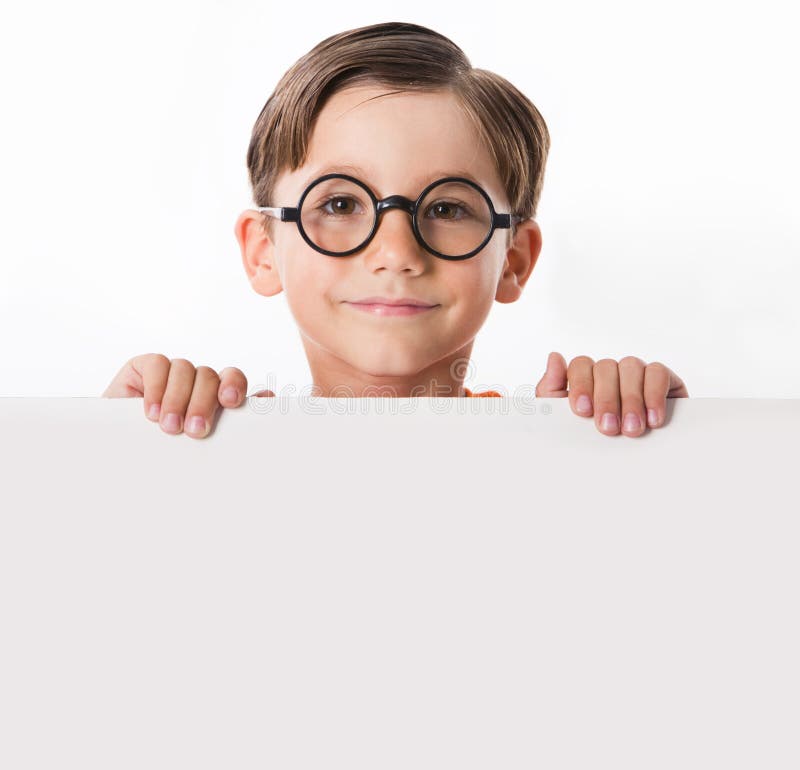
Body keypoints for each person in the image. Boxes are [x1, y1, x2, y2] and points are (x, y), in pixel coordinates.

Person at [102, 21, 688, 438]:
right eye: (338, 204)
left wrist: (645, 449)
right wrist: (105, 446)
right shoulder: (203, 444)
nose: (395, 253)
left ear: (514, 259)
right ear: (263, 252)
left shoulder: (570, 438)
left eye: (447, 209)